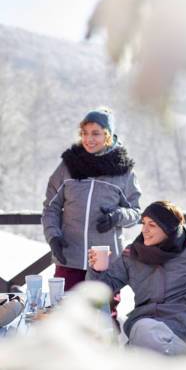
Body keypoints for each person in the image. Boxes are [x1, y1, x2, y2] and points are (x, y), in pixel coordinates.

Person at [86, 201, 186, 355]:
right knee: (144, 331)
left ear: (169, 229)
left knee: (142, 337)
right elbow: (102, 288)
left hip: (182, 332)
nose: (144, 230)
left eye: (152, 225)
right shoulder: (133, 255)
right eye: (143, 223)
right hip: (145, 328)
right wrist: (96, 269)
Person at [42, 107, 142, 291]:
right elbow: (51, 208)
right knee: (65, 313)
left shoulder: (124, 172)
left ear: (108, 135)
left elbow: (136, 213)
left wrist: (117, 216)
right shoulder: (68, 166)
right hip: (69, 258)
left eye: (95, 133)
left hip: (105, 263)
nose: (89, 139)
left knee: (102, 316)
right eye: (84, 133)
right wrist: (53, 236)